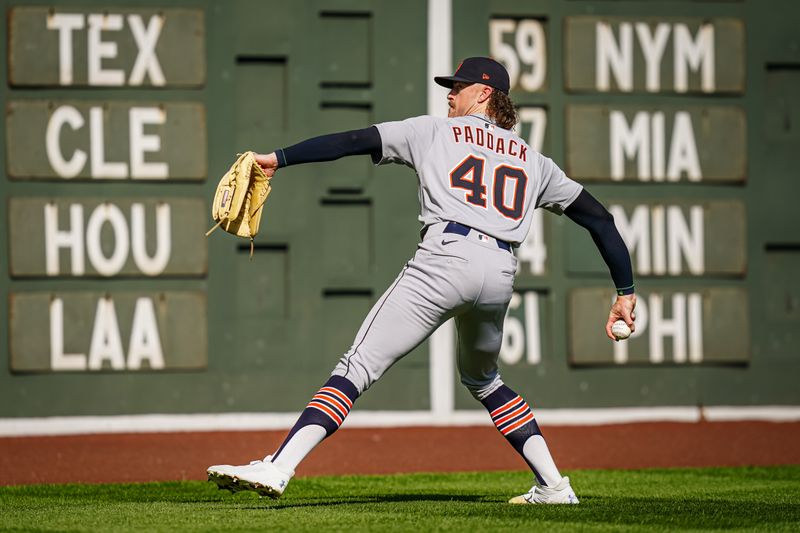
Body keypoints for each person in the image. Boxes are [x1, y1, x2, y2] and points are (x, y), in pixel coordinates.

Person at [207, 57, 636, 504]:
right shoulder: (534, 159)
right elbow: (599, 219)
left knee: (357, 367)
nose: (450, 94)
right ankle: (555, 486)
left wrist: (277, 159)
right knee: (484, 380)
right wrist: (625, 292)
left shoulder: (433, 131)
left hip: (446, 259)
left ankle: (278, 467)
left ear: (485, 94)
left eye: (459, 86)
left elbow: (354, 140)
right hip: (499, 272)